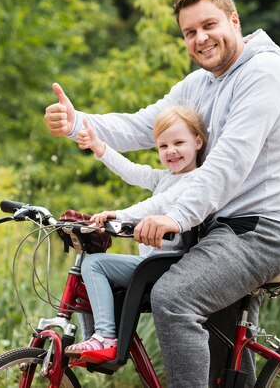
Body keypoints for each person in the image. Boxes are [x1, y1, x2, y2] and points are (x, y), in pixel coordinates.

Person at [44, 0, 280, 388]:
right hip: (217, 231)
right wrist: (78, 122)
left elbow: (228, 163)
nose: (200, 39)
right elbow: (141, 125)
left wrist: (176, 216)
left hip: (263, 229)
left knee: (174, 297)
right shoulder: (198, 85)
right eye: (189, 32)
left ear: (234, 21)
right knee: (220, 360)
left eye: (209, 25)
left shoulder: (265, 74)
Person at [64, 106, 207, 363]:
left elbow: (159, 204)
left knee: (95, 264)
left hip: (167, 267)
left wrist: (119, 215)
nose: (171, 151)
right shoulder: (166, 177)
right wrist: (100, 148)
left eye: (178, 143)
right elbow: (132, 171)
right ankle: (94, 338)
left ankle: (105, 336)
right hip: (150, 265)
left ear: (198, 141)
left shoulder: (196, 179)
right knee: (88, 273)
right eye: (163, 146)